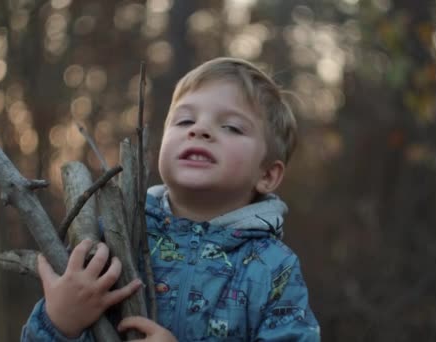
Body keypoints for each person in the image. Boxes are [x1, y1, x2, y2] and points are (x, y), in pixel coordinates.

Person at [21, 57, 321, 341]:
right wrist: (59, 322)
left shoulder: (273, 268)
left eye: (230, 127)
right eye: (184, 120)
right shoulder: (113, 239)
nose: (199, 129)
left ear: (267, 175)